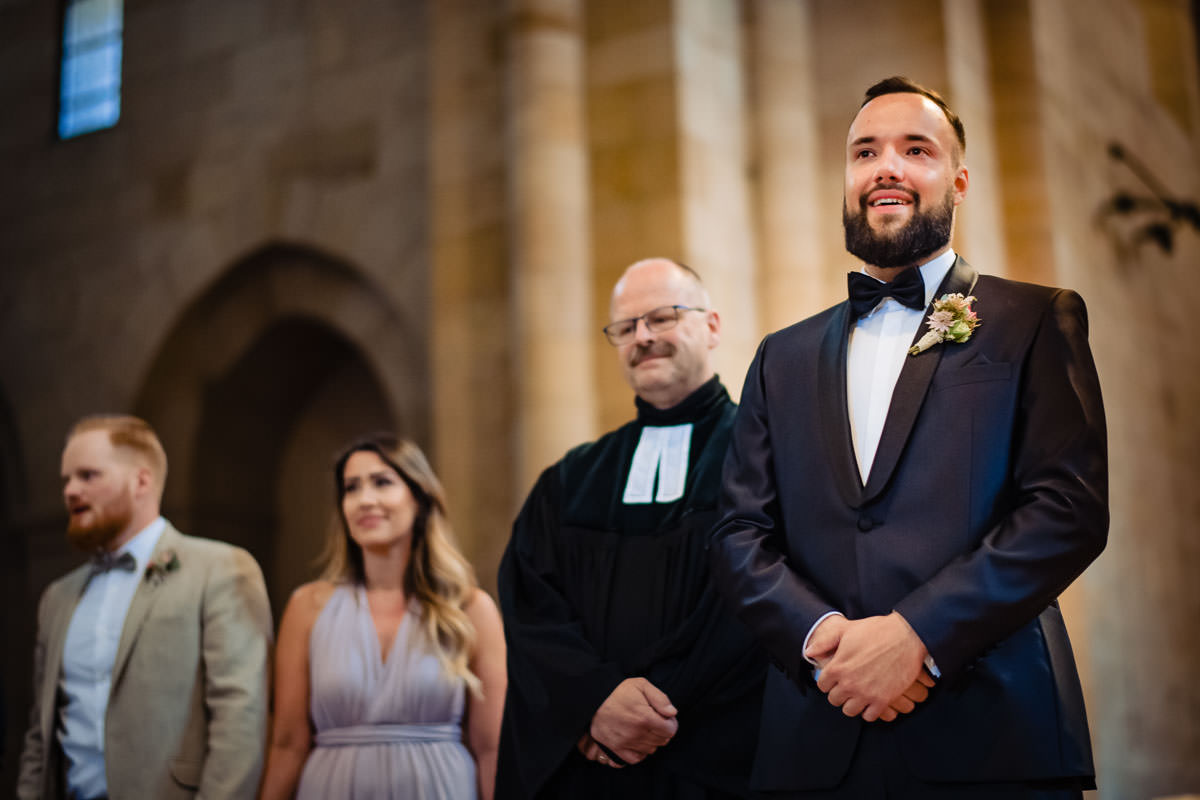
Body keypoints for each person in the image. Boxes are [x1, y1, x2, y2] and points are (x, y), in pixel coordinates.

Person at [710, 76, 1108, 799]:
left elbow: (1067, 509)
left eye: (915, 149)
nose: (886, 167)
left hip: (993, 734)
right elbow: (739, 531)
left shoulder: (1033, 320)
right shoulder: (780, 357)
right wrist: (821, 639)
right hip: (816, 740)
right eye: (865, 152)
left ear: (958, 181)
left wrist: (917, 635)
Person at [496, 258, 766, 799]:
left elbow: (764, 601)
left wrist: (651, 712)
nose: (643, 337)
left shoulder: (764, 453)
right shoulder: (572, 479)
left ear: (712, 326)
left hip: (723, 762)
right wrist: (593, 701)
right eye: (626, 327)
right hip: (598, 769)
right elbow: (531, 610)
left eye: (662, 318)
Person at [17, 414, 273, 800]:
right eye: (66, 479)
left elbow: (241, 718)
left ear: (141, 481)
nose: (70, 491)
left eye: (88, 475)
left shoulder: (219, 569)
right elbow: (40, 732)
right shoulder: (58, 597)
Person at [259, 435, 506, 800]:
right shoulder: (307, 607)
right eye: (351, 488)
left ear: (419, 498)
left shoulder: (470, 608)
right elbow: (287, 744)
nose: (365, 499)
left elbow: (491, 748)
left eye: (382, 482)